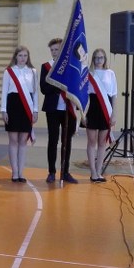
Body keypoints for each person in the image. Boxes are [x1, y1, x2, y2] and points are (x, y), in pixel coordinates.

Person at [40, 38, 79, 184]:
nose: (54, 52)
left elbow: (75, 87)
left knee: (66, 141)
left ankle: (65, 172)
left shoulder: (70, 66)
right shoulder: (46, 67)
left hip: (68, 108)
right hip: (52, 109)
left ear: (62, 50)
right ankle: (51, 172)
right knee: (53, 140)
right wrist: (59, 84)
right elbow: (44, 88)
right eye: (52, 50)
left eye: (57, 49)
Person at [0, 46, 39, 183]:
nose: (23, 58)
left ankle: (21, 172)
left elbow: (35, 93)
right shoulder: (9, 71)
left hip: (27, 107)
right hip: (13, 105)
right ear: (16, 56)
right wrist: (3, 110)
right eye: (20, 55)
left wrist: (35, 110)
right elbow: (4, 92)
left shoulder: (33, 72)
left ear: (28, 57)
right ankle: (14, 172)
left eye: (25, 56)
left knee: (23, 141)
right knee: (13, 140)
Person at [84, 48, 117, 182]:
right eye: (96, 58)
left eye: (101, 57)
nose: (99, 60)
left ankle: (99, 171)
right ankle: (93, 172)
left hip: (106, 109)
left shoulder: (110, 73)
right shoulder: (88, 73)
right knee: (92, 141)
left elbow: (114, 95)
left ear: (105, 59)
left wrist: (114, 114)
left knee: (102, 142)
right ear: (93, 59)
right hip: (92, 107)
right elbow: (84, 95)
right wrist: (83, 114)